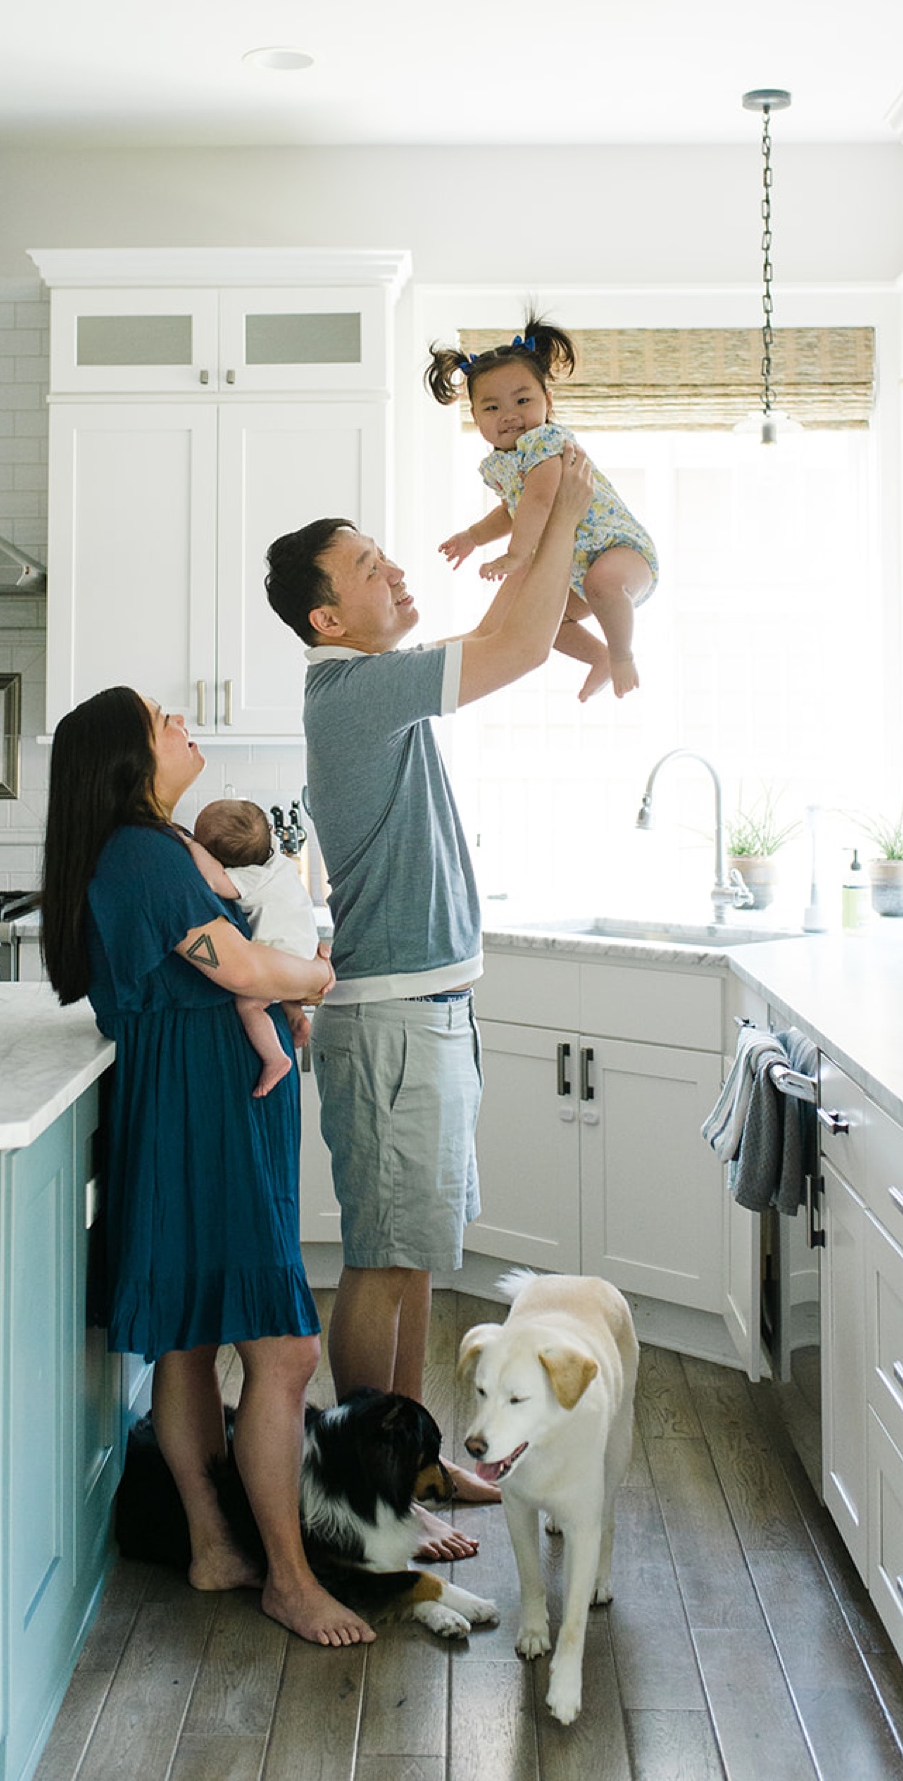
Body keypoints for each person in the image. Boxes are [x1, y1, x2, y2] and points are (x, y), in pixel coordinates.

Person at [263, 442, 596, 1555]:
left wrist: (546, 521)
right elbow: (520, 639)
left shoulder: (377, 690)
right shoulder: (354, 689)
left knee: (409, 1256)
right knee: (379, 1259)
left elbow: (519, 638)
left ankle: (411, 1459)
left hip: (433, 1007)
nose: (396, 572)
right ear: (327, 620)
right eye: (367, 567)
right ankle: (372, 1497)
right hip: (398, 1017)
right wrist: (556, 506)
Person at [41, 688, 373, 1648]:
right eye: (162, 719)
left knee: (189, 1337)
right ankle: (290, 1580)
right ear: (127, 758)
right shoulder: (144, 853)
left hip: (191, 1098)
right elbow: (232, 965)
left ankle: (213, 1544)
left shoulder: (143, 847)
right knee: (285, 1350)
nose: (183, 721)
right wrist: (315, 976)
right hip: (205, 1110)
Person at [428, 311, 659, 700]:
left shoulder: (546, 442)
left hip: (618, 551)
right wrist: (472, 536)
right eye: (492, 408)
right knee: (542, 620)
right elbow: (512, 511)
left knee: (603, 583)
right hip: (575, 569)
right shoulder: (504, 462)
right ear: (475, 417)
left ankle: (621, 655)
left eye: (522, 400)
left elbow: (540, 497)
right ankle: (598, 656)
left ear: (547, 401)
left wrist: (517, 555)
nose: (509, 415)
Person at [187, 797, 320, 1098]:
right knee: (283, 992)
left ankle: (275, 1057)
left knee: (249, 1005)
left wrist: (189, 845)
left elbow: (214, 880)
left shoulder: (250, 878)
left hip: (282, 957)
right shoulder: (277, 861)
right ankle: (297, 1018)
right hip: (302, 947)